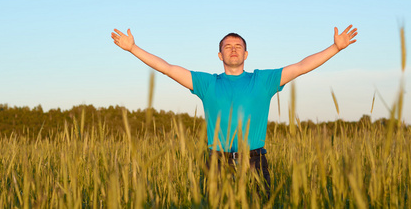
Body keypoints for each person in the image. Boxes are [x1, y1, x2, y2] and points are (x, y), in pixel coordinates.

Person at [111, 25, 358, 198]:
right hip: (216, 162)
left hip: (254, 161)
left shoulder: (263, 80)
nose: (233, 49)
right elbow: (167, 68)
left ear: (246, 54)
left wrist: (335, 48)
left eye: (238, 46)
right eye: (228, 46)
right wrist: (134, 48)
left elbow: (302, 66)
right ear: (220, 55)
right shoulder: (207, 83)